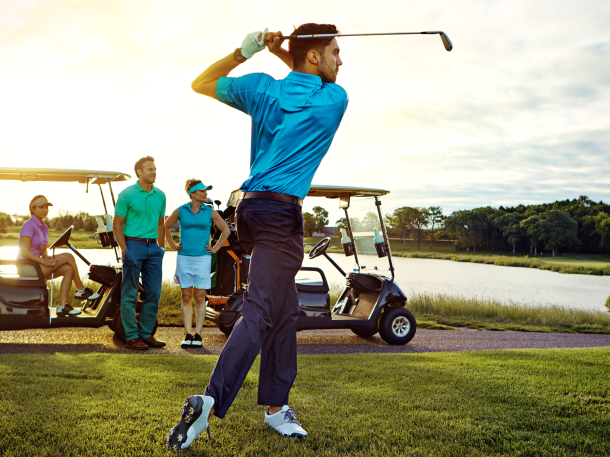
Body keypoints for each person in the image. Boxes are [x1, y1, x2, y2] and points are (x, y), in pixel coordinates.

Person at [167, 23, 347, 449]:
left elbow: (202, 82)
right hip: (281, 214)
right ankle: (209, 401)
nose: (342, 60)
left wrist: (249, 51)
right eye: (335, 52)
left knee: (285, 312)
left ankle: (276, 408)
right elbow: (311, 74)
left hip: (248, 209)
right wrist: (285, 51)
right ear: (317, 57)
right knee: (263, 311)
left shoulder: (263, 89)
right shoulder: (333, 99)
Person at [164, 179, 230, 348]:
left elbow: (226, 230)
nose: (205, 193)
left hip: (203, 259)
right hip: (184, 258)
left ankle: (198, 335)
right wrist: (172, 245)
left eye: (206, 191)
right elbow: (166, 226)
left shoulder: (210, 212)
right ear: (192, 193)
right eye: (202, 191)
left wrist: (215, 248)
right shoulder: (180, 210)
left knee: (200, 298)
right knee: (186, 297)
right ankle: (187, 334)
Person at [113, 156, 167, 350]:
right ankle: (131, 336)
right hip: (133, 246)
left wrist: (161, 247)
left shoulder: (160, 195)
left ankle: (146, 334)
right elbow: (117, 224)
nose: (153, 172)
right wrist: (125, 249)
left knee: (153, 292)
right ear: (139, 172)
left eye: (155, 169)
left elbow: (161, 223)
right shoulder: (126, 194)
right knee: (129, 293)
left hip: (153, 248)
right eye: (150, 169)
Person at [18, 195, 98, 316]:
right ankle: (81, 290)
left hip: (38, 264)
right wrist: (44, 262)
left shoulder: (43, 227)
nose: (45, 210)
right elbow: (24, 251)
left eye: (46, 207)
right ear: (32, 209)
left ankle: (62, 307)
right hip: (26, 266)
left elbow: (42, 249)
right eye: (41, 207)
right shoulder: (29, 225)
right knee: (68, 256)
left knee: (68, 269)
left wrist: (46, 257)